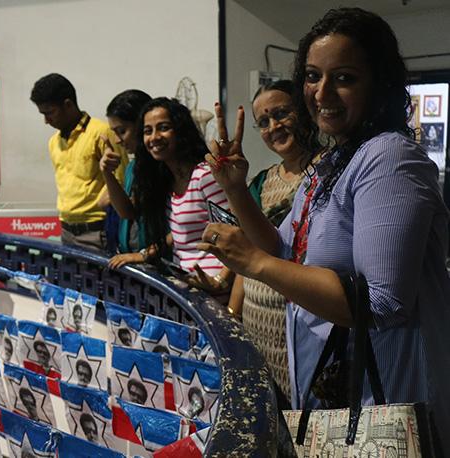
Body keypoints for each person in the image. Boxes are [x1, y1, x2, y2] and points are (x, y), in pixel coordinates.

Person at [200, 7, 450, 451]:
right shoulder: (332, 163)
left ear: (380, 83)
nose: (321, 92)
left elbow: (383, 302)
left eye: (345, 77)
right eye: (313, 76)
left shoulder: (388, 158)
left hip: (387, 392)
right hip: (335, 382)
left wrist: (254, 264)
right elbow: (281, 248)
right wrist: (236, 190)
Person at [229, 79, 317, 402]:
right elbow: (246, 252)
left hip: (299, 324)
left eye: (282, 114)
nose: (273, 127)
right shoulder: (261, 181)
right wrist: (233, 314)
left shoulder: (327, 172)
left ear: (304, 112)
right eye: (263, 122)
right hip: (256, 319)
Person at [106, 98, 232, 298]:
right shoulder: (167, 180)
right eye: (148, 131)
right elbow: (183, 232)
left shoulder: (204, 175)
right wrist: (144, 254)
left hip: (214, 294)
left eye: (163, 128)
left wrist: (221, 281)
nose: (154, 137)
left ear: (180, 131)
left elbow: (235, 231)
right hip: (188, 291)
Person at [30, 73, 128, 252]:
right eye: (42, 114)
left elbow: (122, 179)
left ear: (68, 105)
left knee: (102, 280)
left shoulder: (102, 133)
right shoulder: (54, 142)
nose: (46, 121)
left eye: (50, 113)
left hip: (98, 231)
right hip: (67, 231)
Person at [99, 89, 152, 254]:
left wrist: (146, 255)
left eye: (122, 131)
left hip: (155, 259)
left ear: (142, 124)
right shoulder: (132, 167)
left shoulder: (164, 165)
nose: (117, 140)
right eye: (114, 133)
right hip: (133, 256)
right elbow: (127, 212)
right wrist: (107, 173)